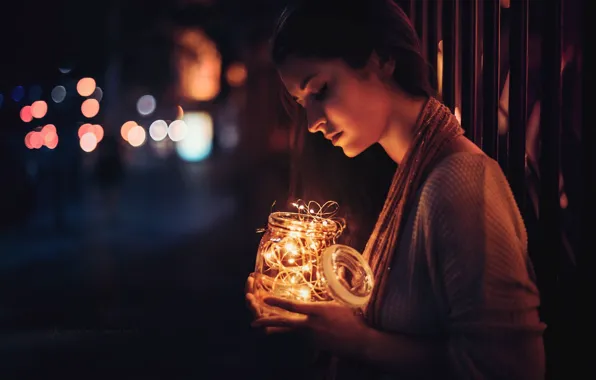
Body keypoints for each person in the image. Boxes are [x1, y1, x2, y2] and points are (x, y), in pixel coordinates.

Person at [245, 0, 546, 379]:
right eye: (301, 103)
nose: (312, 123)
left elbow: (513, 369)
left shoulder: (461, 183)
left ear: (382, 60)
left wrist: (359, 342)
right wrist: (309, 315)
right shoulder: (400, 177)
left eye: (320, 90)